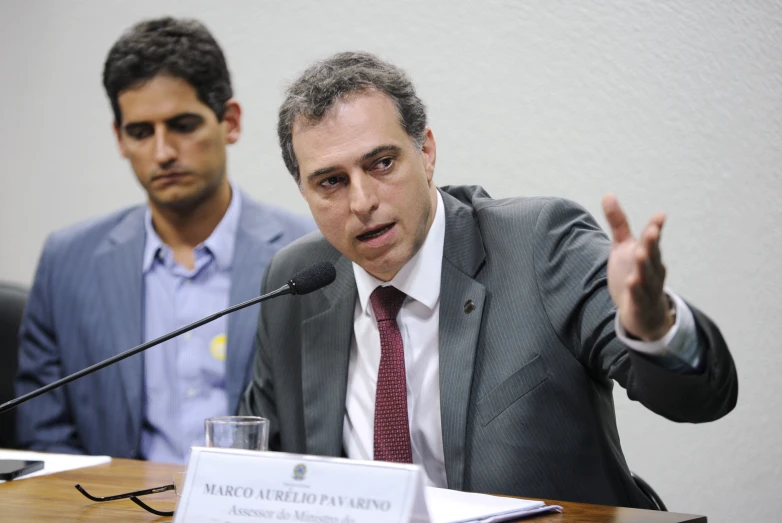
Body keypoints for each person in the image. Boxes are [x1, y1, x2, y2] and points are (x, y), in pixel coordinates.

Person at [239, 51, 738, 508]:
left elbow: (700, 399)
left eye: (383, 163)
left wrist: (655, 329)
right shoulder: (297, 284)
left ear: (427, 153)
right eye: (331, 181)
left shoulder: (539, 243)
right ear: (303, 191)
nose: (362, 201)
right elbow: (262, 469)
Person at [15, 17, 314, 463]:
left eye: (183, 125)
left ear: (229, 122)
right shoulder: (67, 262)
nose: (163, 152)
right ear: (119, 138)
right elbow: (44, 437)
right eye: (140, 132)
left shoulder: (307, 259)